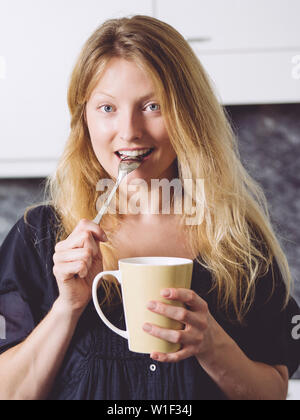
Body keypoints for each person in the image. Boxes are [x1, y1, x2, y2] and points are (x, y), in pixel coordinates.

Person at [0, 15, 299, 401]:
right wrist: (66, 308)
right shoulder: (38, 237)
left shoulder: (236, 240)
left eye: (153, 106)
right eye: (107, 108)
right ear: (84, 120)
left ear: (187, 115)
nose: (129, 131)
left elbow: (272, 391)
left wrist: (213, 346)